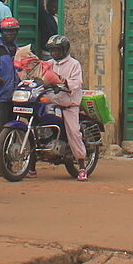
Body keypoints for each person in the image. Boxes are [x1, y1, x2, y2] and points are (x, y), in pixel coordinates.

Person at [38, 33, 91, 179]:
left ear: (64, 50)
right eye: (52, 50)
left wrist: (63, 82)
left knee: (74, 132)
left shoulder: (74, 64)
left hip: (68, 104)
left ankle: (81, 166)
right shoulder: (49, 63)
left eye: (57, 50)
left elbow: (76, 82)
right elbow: (40, 78)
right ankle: (31, 166)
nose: (54, 53)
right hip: (51, 101)